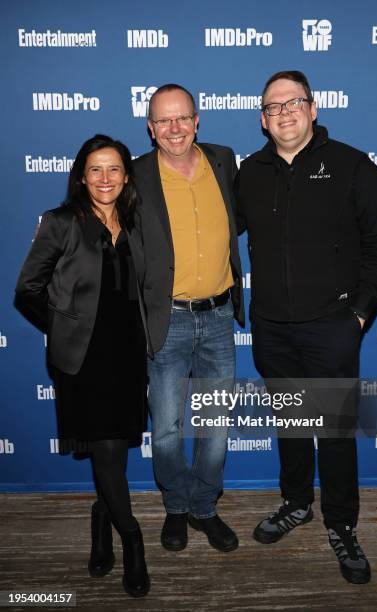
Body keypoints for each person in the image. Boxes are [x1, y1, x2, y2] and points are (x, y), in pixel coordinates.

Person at [235, 71, 377, 584]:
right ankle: (296, 502)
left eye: (293, 103)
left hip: (332, 325)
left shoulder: (353, 166)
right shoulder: (250, 173)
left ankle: (342, 524)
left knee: (333, 431)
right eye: (273, 107)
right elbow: (206, 229)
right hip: (272, 327)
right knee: (291, 425)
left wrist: (358, 315)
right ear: (262, 119)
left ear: (313, 108)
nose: (283, 113)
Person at [15, 134, 151, 598]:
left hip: (129, 357)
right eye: (95, 169)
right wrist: (63, 325)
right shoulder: (60, 223)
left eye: (114, 169)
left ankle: (100, 519)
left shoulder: (134, 221)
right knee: (109, 452)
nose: (105, 178)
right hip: (83, 361)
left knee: (111, 454)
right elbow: (27, 289)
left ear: (126, 175)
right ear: (80, 175)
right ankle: (131, 537)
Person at [133, 84, 244, 553]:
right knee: (166, 432)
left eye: (183, 118)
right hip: (168, 322)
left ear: (197, 121)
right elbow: (103, 221)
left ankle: (204, 508)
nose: (174, 129)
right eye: (164, 121)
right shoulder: (136, 174)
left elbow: (243, 219)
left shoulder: (224, 160)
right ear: (150, 128)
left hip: (218, 317)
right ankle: (177, 507)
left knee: (216, 429)